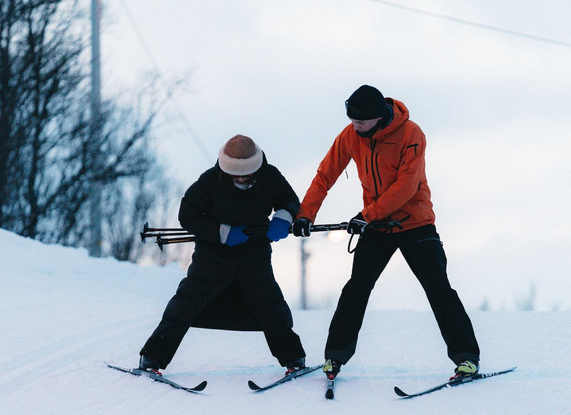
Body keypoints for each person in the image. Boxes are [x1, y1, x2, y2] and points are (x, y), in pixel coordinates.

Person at [292, 85, 480, 380]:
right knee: (356, 288)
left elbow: (406, 186)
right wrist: (305, 214)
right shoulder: (350, 136)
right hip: (376, 227)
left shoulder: (411, 134)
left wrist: (366, 215)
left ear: (378, 117)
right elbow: (326, 173)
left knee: (439, 289)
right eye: (352, 121)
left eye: (361, 122)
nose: (355, 126)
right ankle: (334, 358)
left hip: (415, 224)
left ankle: (466, 358)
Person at [139, 135, 307, 374]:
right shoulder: (209, 181)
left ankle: (294, 360)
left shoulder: (270, 177)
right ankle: (152, 358)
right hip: (212, 254)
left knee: (270, 304)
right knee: (186, 303)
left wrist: (282, 218)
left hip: (254, 251)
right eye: (235, 174)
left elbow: (289, 201)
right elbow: (187, 216)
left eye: (246, 173)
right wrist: (222, 233)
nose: (240, 178)